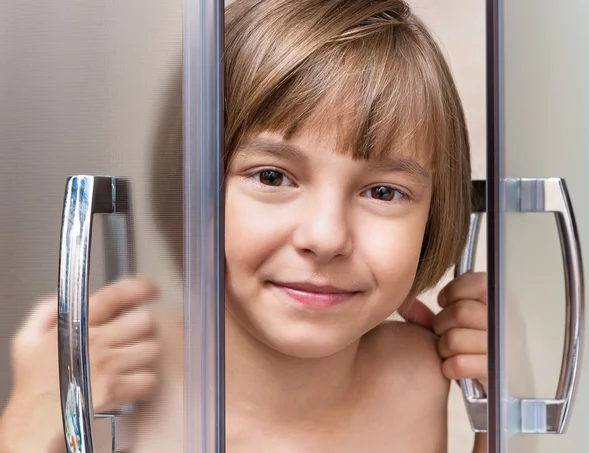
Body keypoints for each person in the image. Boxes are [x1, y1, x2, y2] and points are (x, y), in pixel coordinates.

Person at [0, 0, 488, 452]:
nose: (325, 238)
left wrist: (507, 411)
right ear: (194, 191)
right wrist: (31, 418)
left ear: (434, 216)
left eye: (382, 192)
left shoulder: (420, 375)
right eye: (273, 177)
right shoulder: (117, 385)